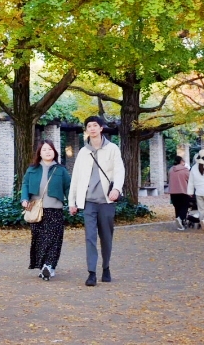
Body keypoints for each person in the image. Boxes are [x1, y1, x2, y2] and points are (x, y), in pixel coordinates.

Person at [68, 116, 126, 286]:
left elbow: (119, 171)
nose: (92, 128)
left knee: (106, 237)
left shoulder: (112, 149)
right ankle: (91, 272)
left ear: (101, 128)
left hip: (107, 201)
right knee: (90, 237)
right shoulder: (83, 152)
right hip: (88, 202)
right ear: (86, 130)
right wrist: (72, 202)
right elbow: (76, 178)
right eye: (89, 126)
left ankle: (106, 267)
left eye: (95, 125)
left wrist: (117, 189)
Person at [21, 140, 70, 281]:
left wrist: (73, 203)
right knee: (40, 239)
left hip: (55, 210)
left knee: (53, 239)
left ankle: (49, 266)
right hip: (36, 210)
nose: (47, 152)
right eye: (44, 150)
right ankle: (43, 266)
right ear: (39, 153)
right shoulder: (32, 169)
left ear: (54, 152)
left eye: (50, 149)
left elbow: (68, 187)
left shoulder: (61, 169)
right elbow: (25, 185)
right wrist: (24, 199)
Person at [168, 155, 193, 229]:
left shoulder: (170, 170)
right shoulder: (185, 170)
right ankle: (180, 218)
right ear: (181, 161)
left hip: (173, 192)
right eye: (183, 161)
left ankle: (180, 224)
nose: (184, 162)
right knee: (184, 206)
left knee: (177, 207)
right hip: (183, 191)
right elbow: (191, 180)